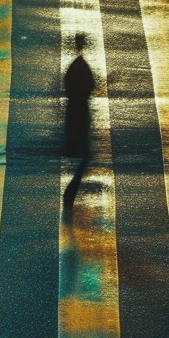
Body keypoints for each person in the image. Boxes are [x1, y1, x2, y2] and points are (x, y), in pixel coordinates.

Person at [63, 32, 95, 215]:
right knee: (85, 156)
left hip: (75, 114)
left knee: (83, 156)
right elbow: (89, 88)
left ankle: (70, 195)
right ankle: (69, 194)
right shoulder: (80, 66)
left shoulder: (75, 66)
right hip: (79, 114)